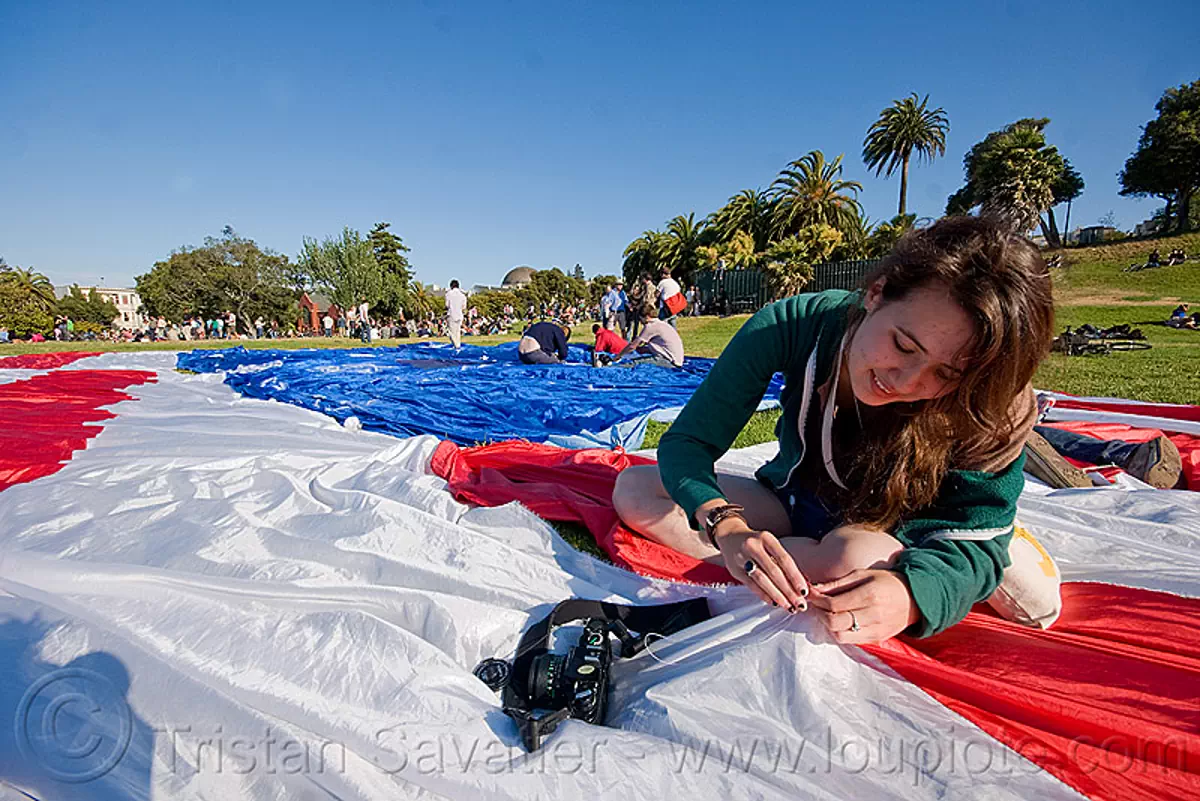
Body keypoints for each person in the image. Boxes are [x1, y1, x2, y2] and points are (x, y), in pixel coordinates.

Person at [612, 216, 1055, 644]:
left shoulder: (995, 402)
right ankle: (785, 560)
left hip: (895, 527)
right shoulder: (793, 325)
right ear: (876, 293)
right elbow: (689, 442)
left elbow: (973, 530)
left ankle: (965, 550)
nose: (904, 382)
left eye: (946, 374)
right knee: (635, 490)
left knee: (1027, 605)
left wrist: (910, 597)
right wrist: (727, 529)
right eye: (903, 344)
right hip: (796, 500)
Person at [611, 318, 685, 368]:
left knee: (635, 364)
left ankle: (610, 368)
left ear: (646, 317)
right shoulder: (662, 324)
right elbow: (662, 347)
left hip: (670, 361)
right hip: (676, 360)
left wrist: (618, 356)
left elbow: (632, 346)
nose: (640, 322)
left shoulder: (650, 326)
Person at [445, 279, 468, 349]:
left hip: (451, 314)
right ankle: (458, 345)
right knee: (457, 331)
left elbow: (447, 305)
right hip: (459, 315)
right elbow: (464, 307)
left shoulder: (448, 294)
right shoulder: (462, 295)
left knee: (452, 332)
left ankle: (456, 346)